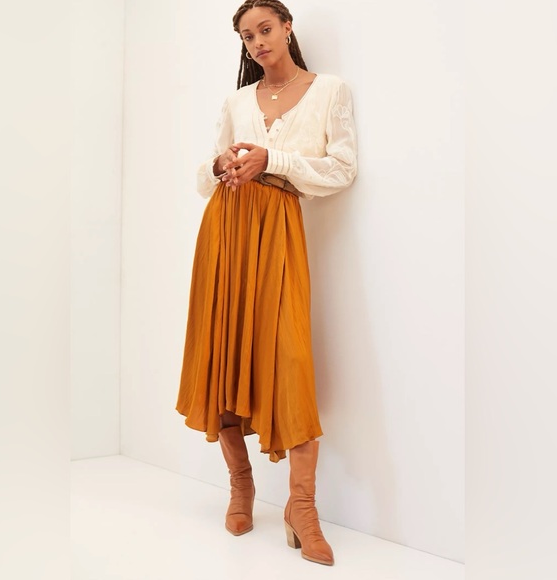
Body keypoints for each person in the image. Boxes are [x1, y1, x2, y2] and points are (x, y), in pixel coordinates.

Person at [176, 0, 357, 566]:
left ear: (286, 28)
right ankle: (241, 487)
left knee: (288, 362)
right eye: (247, 36)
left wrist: (271, 161)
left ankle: (301, 507)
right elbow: (203, 177)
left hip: (278, 231)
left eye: (265, 29)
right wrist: (220, 165)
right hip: (226, 231)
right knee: (224, 354)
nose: (257, 42)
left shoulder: (329, 90)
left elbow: (341, 169)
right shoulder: (237, 101)